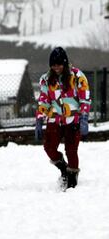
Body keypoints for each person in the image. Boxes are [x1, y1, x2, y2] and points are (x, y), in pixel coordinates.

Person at [35, 47, 91, 189]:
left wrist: (84, 118)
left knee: (71, 150)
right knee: (49, 147)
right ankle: (63, 169)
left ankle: (72, 176)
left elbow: (85, 98)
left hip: (73, 119)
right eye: (53, 65)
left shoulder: (77, 76)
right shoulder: (46, 80)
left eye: (59, 64)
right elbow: (44, 100)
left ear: (65, 64)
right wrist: (39, 119)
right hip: (54, 119)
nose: (56, 68)